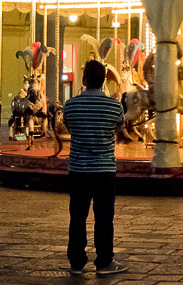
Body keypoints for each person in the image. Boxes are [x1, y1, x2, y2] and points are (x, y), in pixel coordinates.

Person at [63, 60, 127, 276]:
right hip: (104, 169)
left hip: (79, 169)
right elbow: (119, 130)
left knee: (77, 217)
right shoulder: (115, 106)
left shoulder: (71, 105)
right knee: (104, 218)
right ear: (104, 81)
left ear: (84, 80)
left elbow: (70, 128)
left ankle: (76, 262)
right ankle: (104, 261)